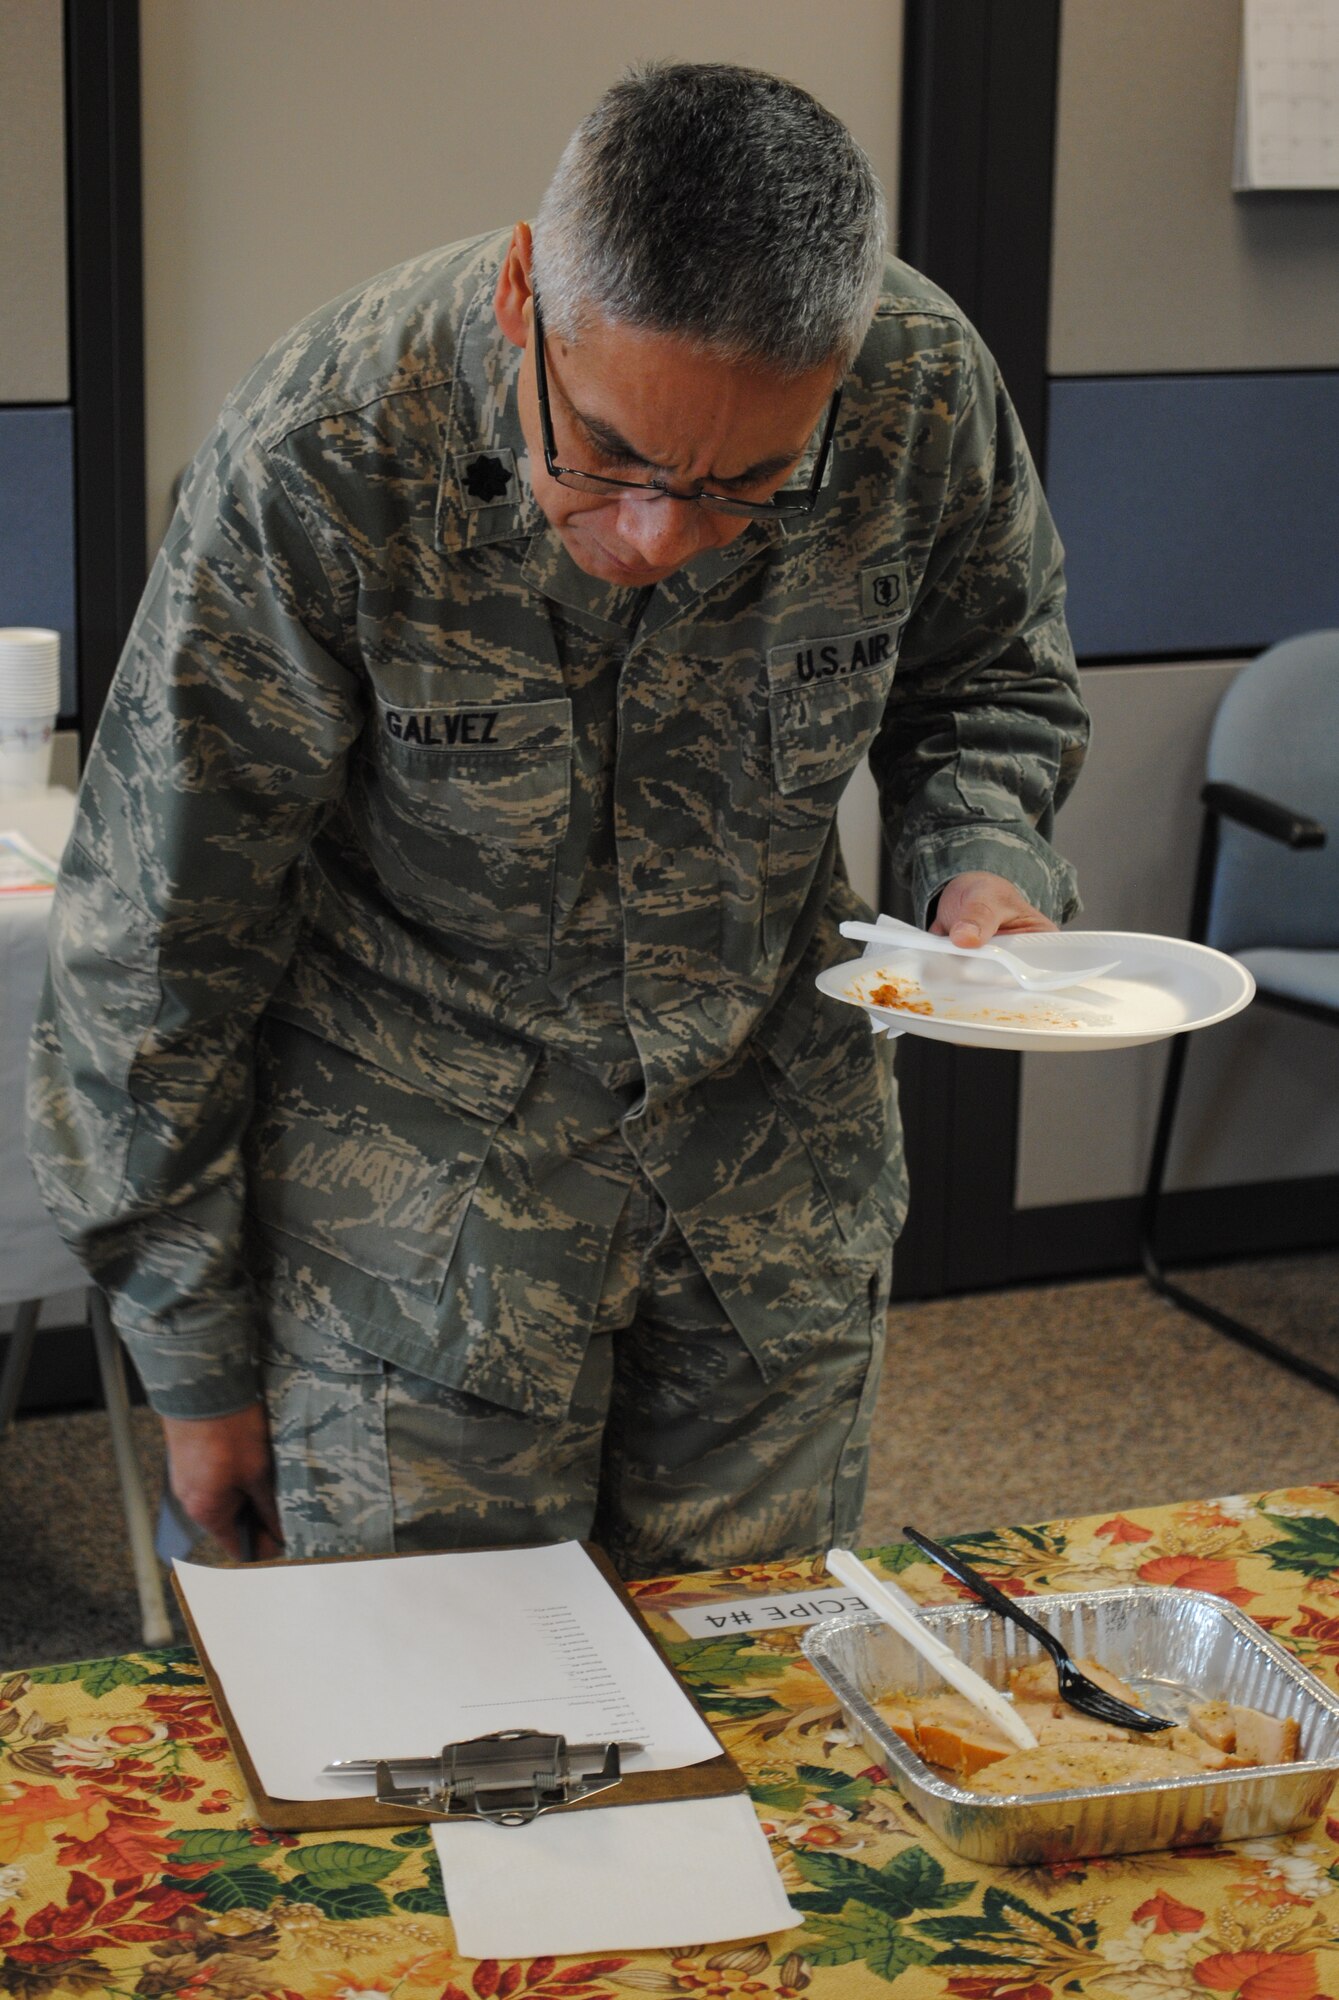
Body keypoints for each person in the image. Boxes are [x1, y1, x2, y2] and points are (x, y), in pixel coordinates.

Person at [29, 61, 1088, 1577]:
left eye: (747, 486)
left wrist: (980, 861)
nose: (661, 536)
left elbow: (990, 675)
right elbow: (159, 937)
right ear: (528, 292)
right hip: (424, 1241)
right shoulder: (326, 451)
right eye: (609, 454)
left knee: (753, 1715)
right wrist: (194, 1367)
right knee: (441, 1754)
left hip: (766, 1204)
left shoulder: (919, 388)